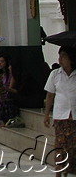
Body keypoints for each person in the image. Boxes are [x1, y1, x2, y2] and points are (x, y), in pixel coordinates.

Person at [44, 46, 76, 176]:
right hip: (60, 115)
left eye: (64, 56)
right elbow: (50, 95)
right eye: (60, 56)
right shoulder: (55, 74)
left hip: (74, 115)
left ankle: (70, 169)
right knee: (60, 144)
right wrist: (46, 115)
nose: (60, 59)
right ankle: (60, 169)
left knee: (72, 145)